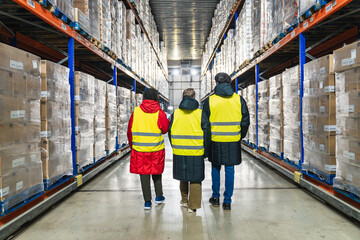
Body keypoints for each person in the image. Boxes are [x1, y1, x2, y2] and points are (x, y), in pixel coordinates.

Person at [202, 72, 250, 211]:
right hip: (233, 139)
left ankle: (215, 197)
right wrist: (240, 135)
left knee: (215, 167)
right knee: (230, 168)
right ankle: (227, 201)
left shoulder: (210, 101)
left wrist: (206, 142)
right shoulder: (238, 99)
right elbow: (245, 120)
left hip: (215, 140)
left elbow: (204, 124)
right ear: (229, 83)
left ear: (216, 83)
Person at [168, 88, 210, 213]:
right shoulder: (200, 113)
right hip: (196, 151)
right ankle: (193, 206)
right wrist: (205, 151)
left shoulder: (176, 113)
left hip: (180, 150)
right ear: (194, 97)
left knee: (183, 176)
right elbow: (207, 133)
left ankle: (184, 201)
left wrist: (175, 146)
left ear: (182, 97)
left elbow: (170, 131)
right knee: (195, 178)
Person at [127, 88, 170, 210]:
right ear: (156, 98)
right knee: (156, 172)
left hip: (140, 149)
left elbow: (129, 131)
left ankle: (147, 202)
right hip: (156, 149)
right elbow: (165, 129)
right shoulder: (159, 113)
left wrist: (133, 146)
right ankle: (159, 196)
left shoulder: (136, 112)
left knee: (144, 175)